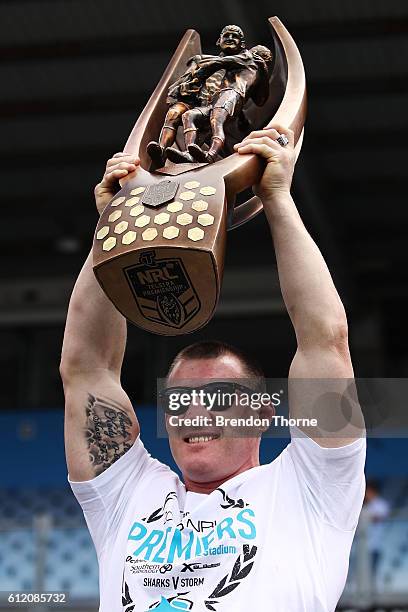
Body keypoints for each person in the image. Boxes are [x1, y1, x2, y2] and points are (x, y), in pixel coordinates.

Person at [60, 125, 366, 611]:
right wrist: (115, 228)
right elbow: (86, 368)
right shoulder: (125, 496)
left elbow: (324, 340)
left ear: (262, 413)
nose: (196, 412)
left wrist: (278, 199)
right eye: (180, 400)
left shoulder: (312, 485)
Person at [147, 25, 250, 167]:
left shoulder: (244, 64)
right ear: (218, 41)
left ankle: (194, 153)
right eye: (226, 36)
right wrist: (185, 86)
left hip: (216, 106)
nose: (230, 39)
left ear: (242, 44)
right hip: (194, 100)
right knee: (173, 113)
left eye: (235, 36)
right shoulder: (200, 59)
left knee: (202, 118)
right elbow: (186, 79)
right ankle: (161, 152)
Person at [166, 44, 273, 164]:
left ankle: (211, 155)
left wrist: (199, 60)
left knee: (215, 122)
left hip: (230, 95)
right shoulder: (256, 71)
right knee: (190, 116)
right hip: (219, 98)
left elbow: (220, 61)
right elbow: (260, 101)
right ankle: (189, 153)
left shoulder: (247, 59)